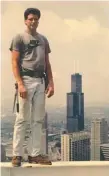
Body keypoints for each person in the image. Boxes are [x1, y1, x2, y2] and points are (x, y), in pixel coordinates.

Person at [9, 8, 54, 167]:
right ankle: (17, 155)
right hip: (26, 80)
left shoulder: (43, 39)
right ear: (25, 20)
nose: (33, 21)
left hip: (40, 80)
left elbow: (47, 63)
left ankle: (35, 154)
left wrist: (51, 82)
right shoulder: (19, 38)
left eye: (36, 19)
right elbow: (14, 62)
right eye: (30, 19)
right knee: (22, 118)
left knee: (38, 120)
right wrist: (20, 83)